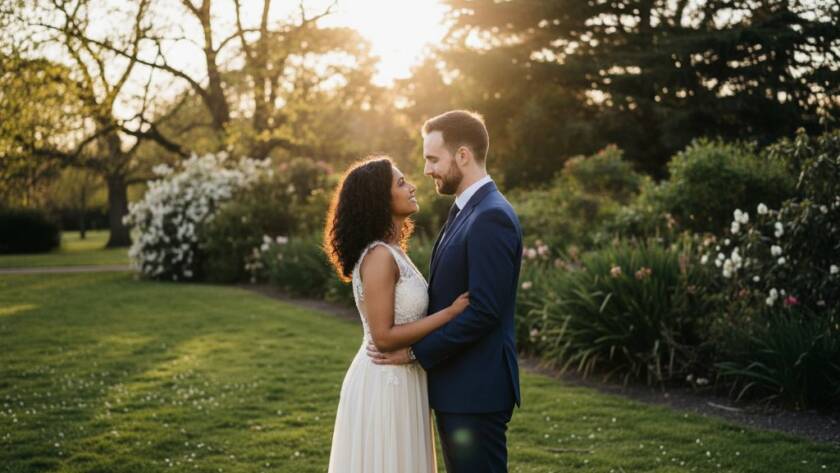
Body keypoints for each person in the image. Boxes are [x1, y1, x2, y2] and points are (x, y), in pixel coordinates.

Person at [368, 110, 523, 473]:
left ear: (463, 155)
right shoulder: (465, 211)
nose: (426, 170)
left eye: (433, 159)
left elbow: (484, 310)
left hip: (476, 389)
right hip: (459, 387)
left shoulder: (490, 216)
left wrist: (415, 353)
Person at [324, 156, 469, 473]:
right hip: (385, 379)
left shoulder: (392, 252)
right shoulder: (378, 257)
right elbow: (383, 337)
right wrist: (450, 313)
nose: (412, 186)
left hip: (405, 376)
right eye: (401, 183)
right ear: (379, 199)